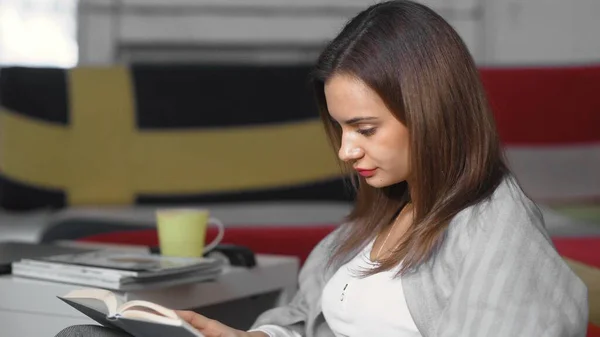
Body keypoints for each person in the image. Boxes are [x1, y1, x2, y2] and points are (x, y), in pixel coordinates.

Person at [56, 1, 588, 337]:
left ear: (431, 113)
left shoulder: (492, 220)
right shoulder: (382, 216)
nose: (346, 152)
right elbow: (307, 314)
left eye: (365, 128)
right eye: (340, 129)